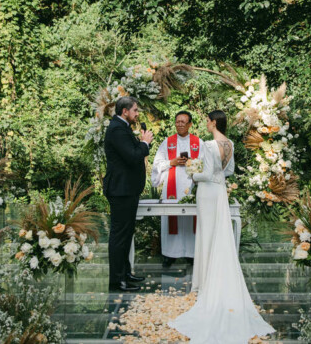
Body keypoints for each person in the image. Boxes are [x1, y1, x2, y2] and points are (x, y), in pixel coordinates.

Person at [168, 110, 275, 343]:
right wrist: (212, 174)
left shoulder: (208, 144)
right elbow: (228, 171)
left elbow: (204, 174)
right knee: (219, 235)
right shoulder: (230, 144)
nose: (206, 123)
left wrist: (192, 173)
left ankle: (206, 283)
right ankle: (212, 280)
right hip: (220, 192)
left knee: (207, 236)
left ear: (214, 122)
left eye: (207, 120)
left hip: (206, 192)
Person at [103, 96, 154, 292]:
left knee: (126, 235)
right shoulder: (117, 129)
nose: (137, 113)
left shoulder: (122, 127)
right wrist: (145, 143)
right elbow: (133, 157)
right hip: (120, 190)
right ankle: (117, 281)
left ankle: (125, 273)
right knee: (120, 237)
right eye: (135, 110)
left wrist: (141, 143)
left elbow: (132, 152)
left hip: (127, 190)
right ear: (125, 111)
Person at [150, 110, 200, 267]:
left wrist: (191, 162)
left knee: (190, 219)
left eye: (183, 122)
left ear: (190, 124)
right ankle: (170, 254)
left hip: (191, 185)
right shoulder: (167, 142)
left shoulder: (199, 143)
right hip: (173, 186)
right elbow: (157, 164)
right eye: (177, 121)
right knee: (172, 216)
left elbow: (205, 163)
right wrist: (172, 162)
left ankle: (192, 254)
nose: (180, 124)